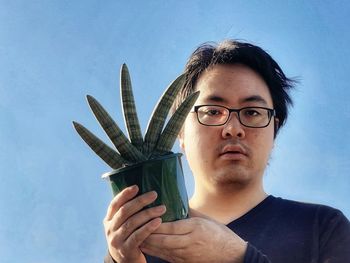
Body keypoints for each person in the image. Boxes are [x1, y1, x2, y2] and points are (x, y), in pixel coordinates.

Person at [103, 40, 350, 263]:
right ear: (180, 133)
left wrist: (238, 257)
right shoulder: (138, 247)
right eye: (212, 111)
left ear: (274, 131)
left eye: (252, 112)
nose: (233, 129)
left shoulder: (322, 228)